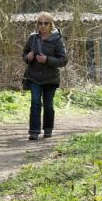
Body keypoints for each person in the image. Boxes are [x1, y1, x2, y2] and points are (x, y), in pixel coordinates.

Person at [22, 12, 68, 140]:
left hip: (51, 78)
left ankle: (48, 129)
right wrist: (28, 57)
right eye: (40, 23)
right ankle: (34, 131)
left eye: (45, 23)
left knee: (48, 105)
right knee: (35, 102)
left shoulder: (57, 39)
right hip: (34, 77)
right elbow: (24, 54)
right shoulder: (32, 38)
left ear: (50, 24)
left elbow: (64, 60)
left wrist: (47, 59)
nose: (42, 26)